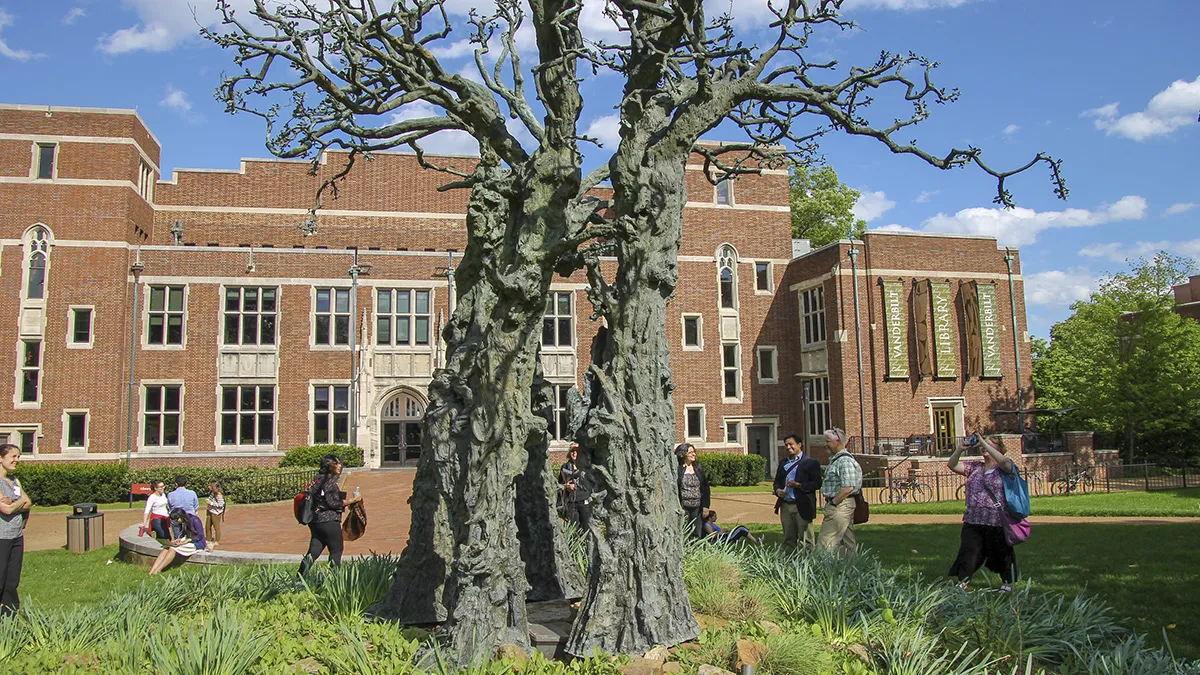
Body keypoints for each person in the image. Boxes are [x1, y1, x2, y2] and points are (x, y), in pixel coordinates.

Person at [946, 433, 1018, 591]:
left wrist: (984, 444)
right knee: (968, 551)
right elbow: (952, 465)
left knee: (1002, 552)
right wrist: (959, 449)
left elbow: (1004, 462)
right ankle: (963, 583)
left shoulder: (1005, 467)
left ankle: (1007, 583)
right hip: (973, 519)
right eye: (983, 444)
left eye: (990, 445)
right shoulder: (976, 467)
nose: (984, 447)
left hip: (997, 520)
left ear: (999, 449)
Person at [298, 454, 363, 576]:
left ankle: (299, 578)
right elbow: (333, 503)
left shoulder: (317, 479)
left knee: (313, 551)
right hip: (329, 521)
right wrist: (353, 500)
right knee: (336, 551)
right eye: (336, 463)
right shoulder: (329, 482)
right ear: (329, 465)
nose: (339, 466)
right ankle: (334, 579)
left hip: (315, 522)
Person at [816, 428, 862, 557]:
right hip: (842, 504)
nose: (825, 444)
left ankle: (822, 566)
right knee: (848, 543)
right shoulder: (837, 460)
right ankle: (850, 566)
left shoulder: (845, 461)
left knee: (826, 542)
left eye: (828, 441)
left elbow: (848, 487)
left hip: (841, 504)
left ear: (838, 441)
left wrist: (834, 502)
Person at [773, 433, 822, 551]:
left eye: (791, 444)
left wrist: (799, 485)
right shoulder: (783, 463)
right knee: (788, 539)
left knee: (806, 539)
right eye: (786, 445)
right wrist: (777, 490)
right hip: (786, 505)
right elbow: (777, 481)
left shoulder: (811, 462)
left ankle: (808, 561)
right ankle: (790, 560)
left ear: (799, 445)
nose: (788, 447)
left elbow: (816, 483)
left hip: (802, 505)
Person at [0, 444, 31, 615]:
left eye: (18, 457)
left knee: (12, 581)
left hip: (17, 536)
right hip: (1, 537)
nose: (17, 460)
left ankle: (9, 618)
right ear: (0, 458)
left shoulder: (14, 480)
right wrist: (19, 502)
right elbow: (6, 510)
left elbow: (28, 502)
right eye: (13, 456)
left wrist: (13, 502)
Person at [148, 508, 206, 575]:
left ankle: (157, 570)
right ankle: (152, 571)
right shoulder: (184, 522)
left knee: (173, 549)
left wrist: (187, 541)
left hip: (197, 543)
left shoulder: (195, 520)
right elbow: (184, 533)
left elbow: (200, 535)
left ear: (181, 516)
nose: (176, 522)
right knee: (166, 547)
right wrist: (179, 539)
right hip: (188, 540)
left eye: (176, 519)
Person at [675, 443, 710, 539]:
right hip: (683, 507)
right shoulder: (678, 468)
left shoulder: (697, 467)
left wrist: (705, 506)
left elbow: (705, 487)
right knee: (684, 531)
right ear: (683, 454)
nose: (694, 454)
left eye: (694, 452)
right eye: (690, 452)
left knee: (696, 532)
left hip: (697, 507)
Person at [558, 446, 592, 530]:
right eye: (572, 451)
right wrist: (566, 486)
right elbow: (559, 484)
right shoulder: (565, 467)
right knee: (573, 529)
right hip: (570, 502)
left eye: (577, 451)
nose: (574, 453)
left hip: (585, 501)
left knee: (586, 528)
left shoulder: (586, 467)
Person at [204, 481, 225, 552]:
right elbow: (209, 498)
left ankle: (217, 540)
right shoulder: (212, 493)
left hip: (216, 513)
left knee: (216, 527)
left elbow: (220, 505)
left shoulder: (219, 495)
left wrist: (211, 503)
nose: (209, 487)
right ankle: (208, 538)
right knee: (207, 526)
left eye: (210, 486)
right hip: (210, 511)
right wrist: (208, 500)